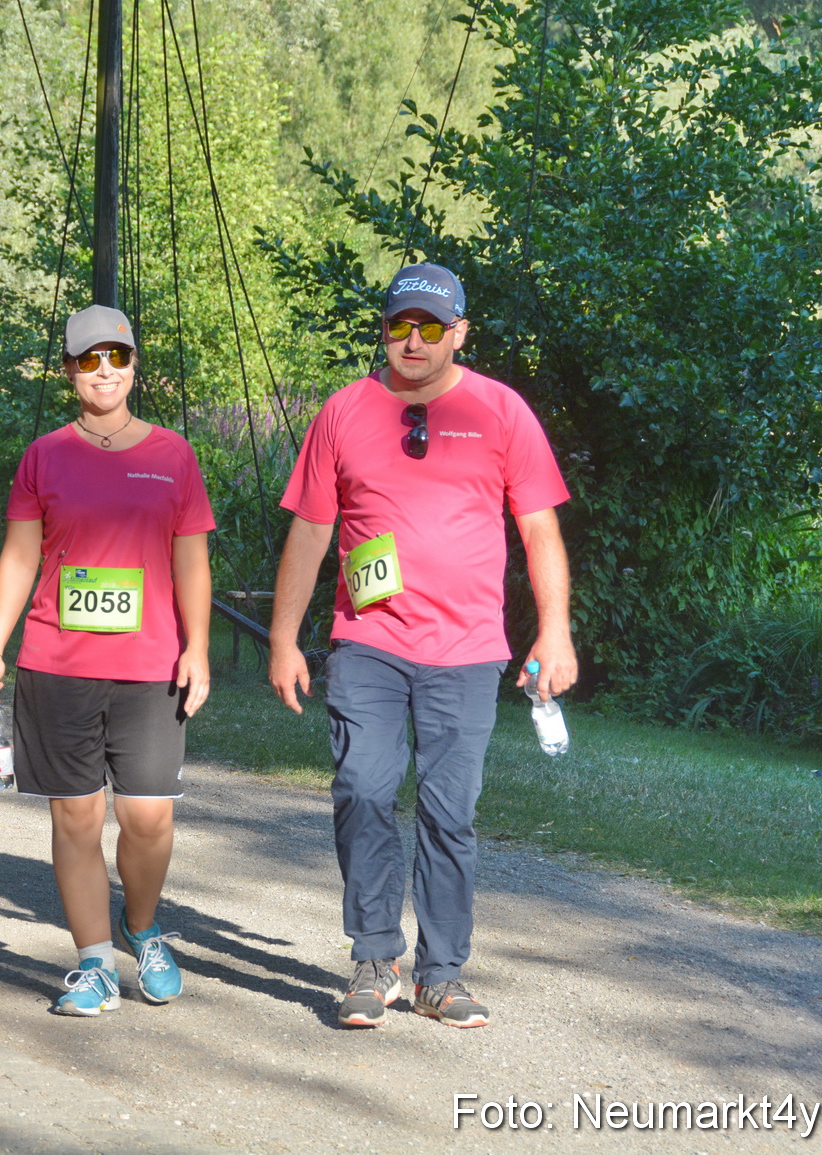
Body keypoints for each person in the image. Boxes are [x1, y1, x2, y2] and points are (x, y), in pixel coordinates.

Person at [268, 263, 577, 1030]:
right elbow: (310, 530)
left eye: (431, 327)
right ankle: (376, 960)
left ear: (459, 333)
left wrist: (556, 627)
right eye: (400, 323)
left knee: (450, 811)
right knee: (364, 790)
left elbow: (540, 528)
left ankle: (442, 974)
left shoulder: (502, 412)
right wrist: (282, 638)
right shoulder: (343, 412)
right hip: (367, 641)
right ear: (384, 328)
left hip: (468, 648)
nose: (413, 339)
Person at [0, 305, 214, 1017]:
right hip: (57, 661)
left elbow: (191, 559)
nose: (104, 370)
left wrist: (198, 647)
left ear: (134, 365)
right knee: (75, 816)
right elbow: (19, 555)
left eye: (116, 357)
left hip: (150, 667)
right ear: (70, 370)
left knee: (147, 818)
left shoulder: (172, 454)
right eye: (89, 359)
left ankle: (141, 925)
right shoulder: (44, 455)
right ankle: (92, 963)